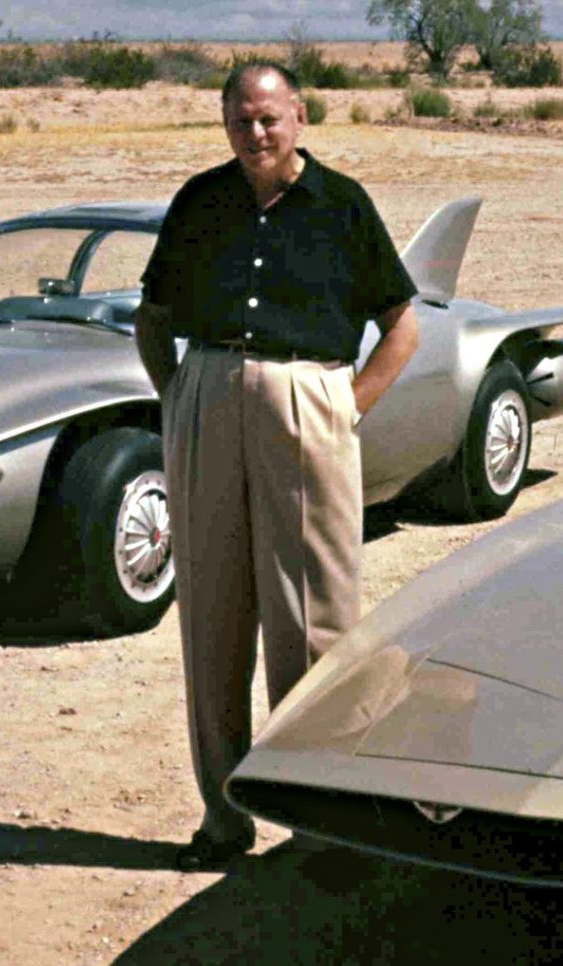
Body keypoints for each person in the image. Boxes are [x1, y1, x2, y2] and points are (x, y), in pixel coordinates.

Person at [136, 61, 422, 871]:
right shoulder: (200, 202)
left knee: (316, 620)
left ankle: (322, 823)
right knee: (212, 618)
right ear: (225, 124)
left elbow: (403, 327)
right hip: (207, 396)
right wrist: (179, 398)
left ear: (300, 116)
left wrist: (345, 407)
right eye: (241, 120)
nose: (256, 133)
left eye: (269, 118)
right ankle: (223, 820)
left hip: (309, 402)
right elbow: (153, 317)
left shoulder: (343, 206)